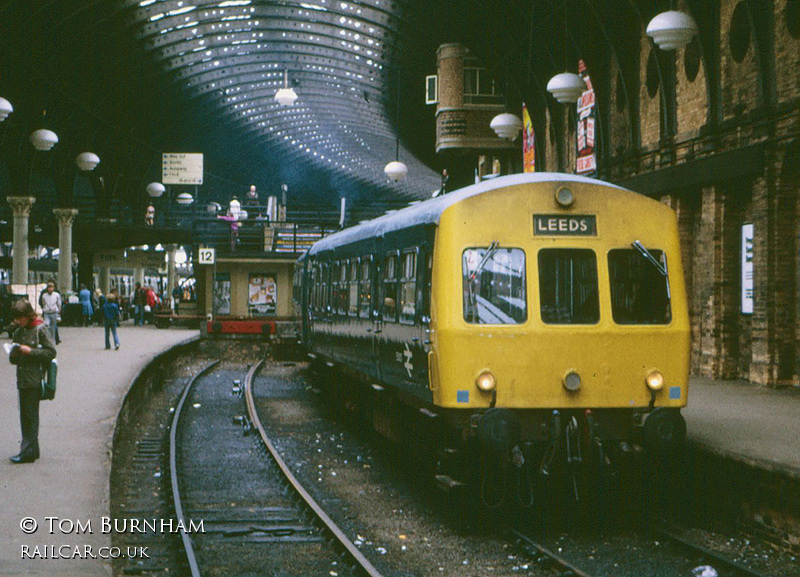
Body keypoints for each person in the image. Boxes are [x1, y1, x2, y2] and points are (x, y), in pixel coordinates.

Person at [8, 298, 56, 464]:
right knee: (26, 416)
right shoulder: (18, 332)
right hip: (22, 379)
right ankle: (32, 450)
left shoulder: (40, 329)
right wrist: (13, 355)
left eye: (20, 318)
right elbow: (14, 360)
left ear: (28, 315)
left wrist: (31, 352)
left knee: (30, 416)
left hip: (35, 379)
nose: (17, 321)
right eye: (16, 319)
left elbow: (51, 352)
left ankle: (27, 453)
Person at [40, 280, 62, 344]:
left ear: (54, 288)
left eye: (51, 287)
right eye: (49, 287)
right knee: (47, 325)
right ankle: (47, 339)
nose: (50, 288)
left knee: (53, 327)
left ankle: (52, 340)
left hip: (54, 312)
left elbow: (59, 304)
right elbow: (43, 303)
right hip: (47, 313)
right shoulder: (44, 295)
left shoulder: (56, 295)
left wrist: (58, 311)